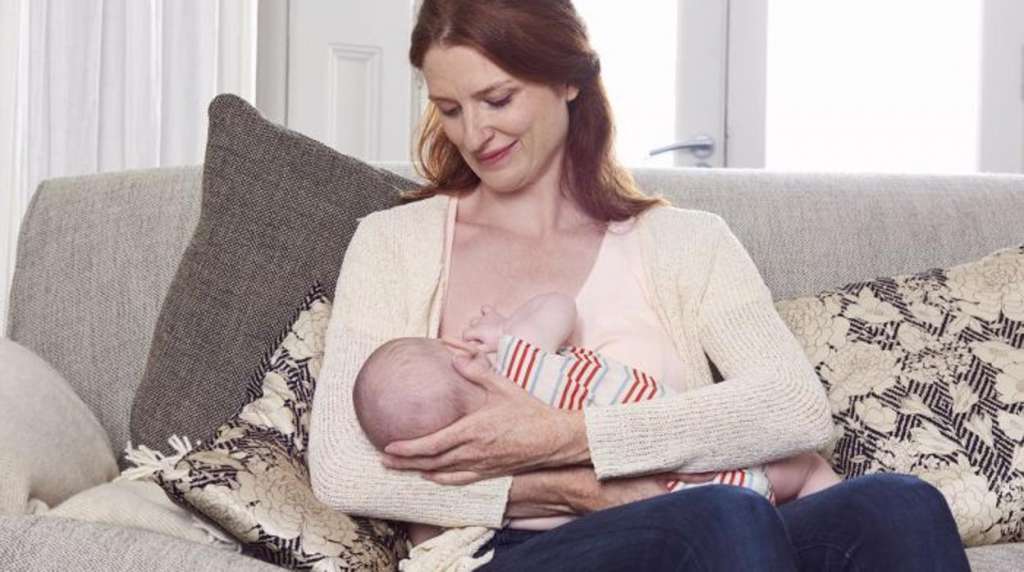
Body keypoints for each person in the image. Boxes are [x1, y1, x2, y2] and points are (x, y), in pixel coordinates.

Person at [308, 0, 971, 570]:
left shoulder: (688, 242)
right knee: (724, 516)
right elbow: (342, 467)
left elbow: (793, 407)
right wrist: (575, 490)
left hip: (704, 522)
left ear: (568, 79)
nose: (474, 134)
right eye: (449, 109)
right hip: (510, 550)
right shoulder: (394, 243)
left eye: (498, 99)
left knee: (899, 503)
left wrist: (567, 436)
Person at [351, 291, 842, 540]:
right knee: (808, 469)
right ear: (460, 355)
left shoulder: (483, 466)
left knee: (881, 501)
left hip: (683, 494)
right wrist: (505, 331)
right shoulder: (519, 362)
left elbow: (554, 518)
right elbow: (558, 307)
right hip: (703, 466)